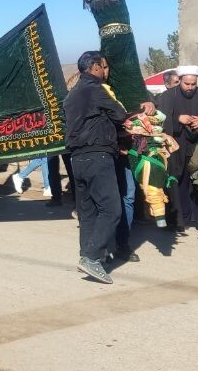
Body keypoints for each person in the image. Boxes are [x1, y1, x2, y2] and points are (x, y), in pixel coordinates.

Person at [63, 51, 129, 284]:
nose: (106, 71)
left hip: (77, 158)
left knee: (88, 211)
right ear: (94, 68)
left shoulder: (73, 94)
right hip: (97, 155)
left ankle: (88, 255)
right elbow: (119, 113)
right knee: (112, 209)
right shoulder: (94, 88)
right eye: (104, 67)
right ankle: (91, 257)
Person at [156, 65, 198, 236]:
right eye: (186, 84)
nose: (190, 87)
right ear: (180, 81)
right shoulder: (168, 96)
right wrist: (178, 119)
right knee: (176, 183)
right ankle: (177, 221)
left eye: (193, 84)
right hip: (175, 147)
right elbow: (159, 122)